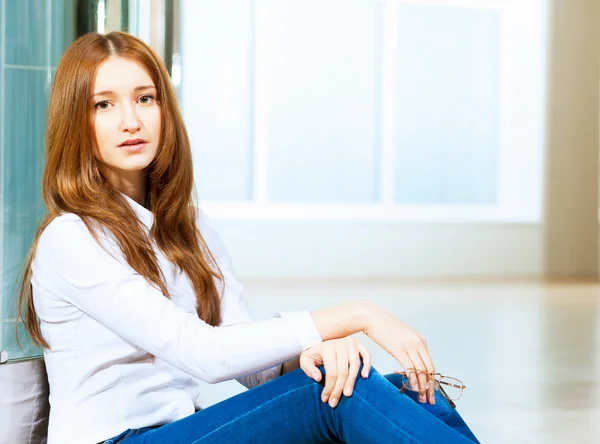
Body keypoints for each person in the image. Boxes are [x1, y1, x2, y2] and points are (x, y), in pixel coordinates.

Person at [17, 32, 480, 444]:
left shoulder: (189, 228)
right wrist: (357, 315)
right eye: (104, 104)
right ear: (77, 122)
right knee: (345, 395)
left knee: (404, 388)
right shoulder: (71, 239)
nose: (131, 121)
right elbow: (205, 355)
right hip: (118, 440)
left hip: (184, 428)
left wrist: (314, 356)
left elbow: (251, 363)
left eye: (145, 99)